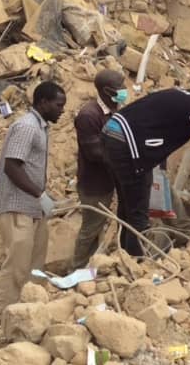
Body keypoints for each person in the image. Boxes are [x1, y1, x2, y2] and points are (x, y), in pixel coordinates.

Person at [102, 76, 190, 256]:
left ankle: (123, 255)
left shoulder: (181, 96)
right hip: (127, 143)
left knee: (127, 205)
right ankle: (135, 262)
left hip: (111, 133)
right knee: (138, 213)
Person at [0, 81, 66, 322]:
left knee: (35, 264)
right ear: (43, 102)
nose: (62, 110)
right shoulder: (27, 126)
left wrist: (43, 197)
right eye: (58, 105)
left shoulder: (41, 127)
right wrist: (39, 194)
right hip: (16, 205)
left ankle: (30, 311)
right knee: (17, 265)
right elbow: (12, 166)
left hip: (32, 206)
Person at [72, 70, 125, 269]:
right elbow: (95, 153)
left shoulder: (114, 109)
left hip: (107, 180)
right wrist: (125, 157)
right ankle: (77, 268)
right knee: (91, 228)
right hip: (94, 183)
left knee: (97, 226)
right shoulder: (89, 116)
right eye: (120, 86)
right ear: (107, 90)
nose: (124, 89)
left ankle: (90, 267)